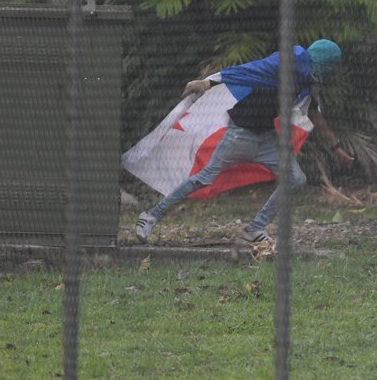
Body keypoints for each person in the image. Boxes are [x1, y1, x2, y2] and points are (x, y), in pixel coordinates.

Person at [135, 39, 355, 245]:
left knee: (295, 179)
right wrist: (207, 82)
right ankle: (151, 216)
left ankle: (254, 228)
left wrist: (337, 149)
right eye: (329, 68)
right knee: (204, 178)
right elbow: (247, 70)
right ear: (320, 63)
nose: (329, 75)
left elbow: (315, 114)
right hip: (240, 134)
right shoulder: (284, 63)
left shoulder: (308, 82)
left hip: (267, 138)